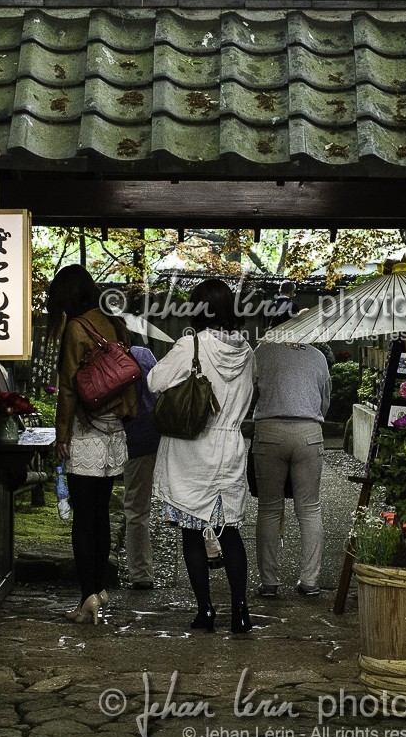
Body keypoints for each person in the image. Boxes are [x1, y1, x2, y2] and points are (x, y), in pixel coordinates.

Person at [148, 279, 256, 633]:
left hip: (191, 451)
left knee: (192, 534)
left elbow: (154, 382)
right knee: (229, 533)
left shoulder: (191, 345)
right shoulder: (248, 353)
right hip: (230, 449)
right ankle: (240, 611)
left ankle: (206, 611)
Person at [48, 264, 137, 625]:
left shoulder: (75, 327)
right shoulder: (112, 322)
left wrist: (62, 433)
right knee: (100, 514)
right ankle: (98, 588)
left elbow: (69, 387)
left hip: (87, 431)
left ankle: (87, 598)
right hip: (114, 429)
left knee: (83, 519)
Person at [251, 324, 331, 597]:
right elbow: (325, 401)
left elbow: (250, 394)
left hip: (270, 431)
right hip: (309, 431)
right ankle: (310, 581)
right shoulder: (317, 356)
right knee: (309, 509)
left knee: (269, 509)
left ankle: (270, 582)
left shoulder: (261, 352)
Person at [122, 343, 160, 590]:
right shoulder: (144, 354)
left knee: (136, 509)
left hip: (132, 436)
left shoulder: (108, 357)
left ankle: (141, 573)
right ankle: (210, 547)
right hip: (158, 432)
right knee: (188, 499)